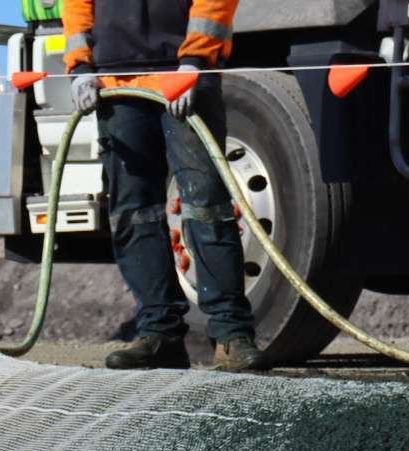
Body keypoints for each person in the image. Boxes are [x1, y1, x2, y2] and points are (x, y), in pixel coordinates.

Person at [63, 0, 272, 372]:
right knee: (133, 212)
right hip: (116, 84)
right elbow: (76, 4)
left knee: (206, 206)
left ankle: (231, 335)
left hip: (185, 75)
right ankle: (160, 334)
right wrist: (80, 65)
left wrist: (195, 60)